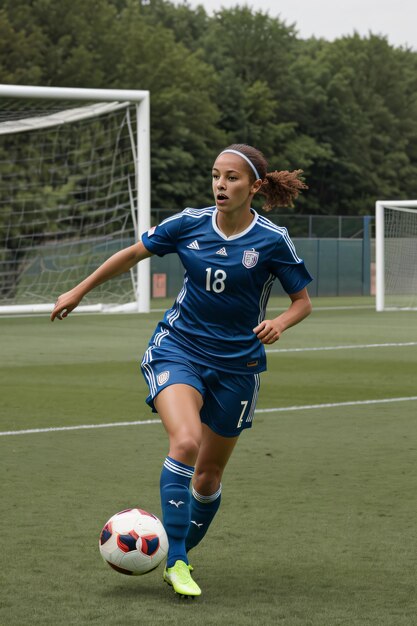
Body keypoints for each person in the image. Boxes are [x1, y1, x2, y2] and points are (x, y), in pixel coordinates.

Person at [51, 143, 313, 598]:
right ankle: (175, 561)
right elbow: (133, 254)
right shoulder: (188, 223)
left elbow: (302, 303)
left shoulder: (272, 239)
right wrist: (79, 290)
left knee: (208, 477)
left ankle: (179, 548)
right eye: (215, 175)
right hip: (179, 349)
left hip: (238, 366)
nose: (220, 185)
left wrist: (280, 323)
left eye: (231, 178)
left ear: (253, 186)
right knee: (186, 441)